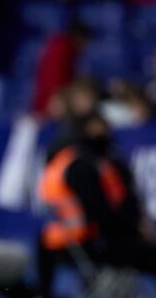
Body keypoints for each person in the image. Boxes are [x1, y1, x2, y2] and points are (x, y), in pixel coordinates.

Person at [37, 113, 156, 296]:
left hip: (59, 240)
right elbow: (99, 213)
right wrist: (134, 228)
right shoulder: (83, 166)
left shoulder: (66, 161)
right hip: (87, 241)